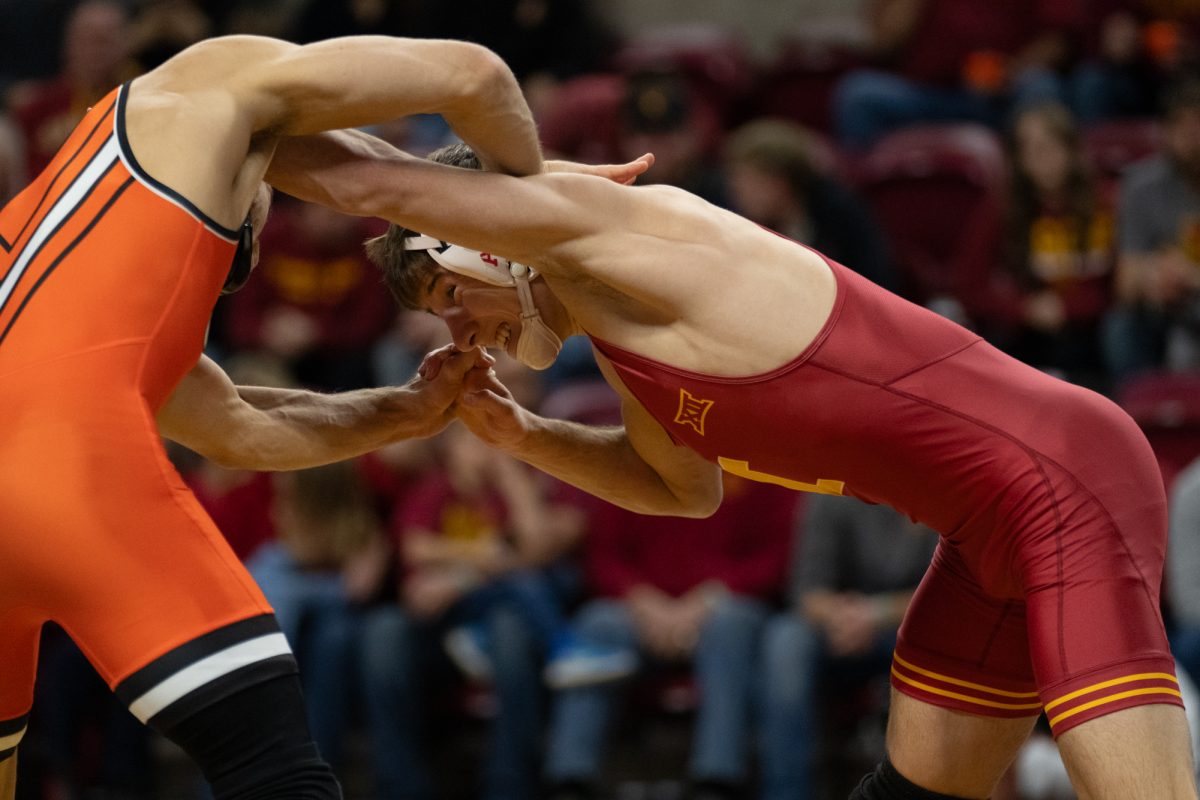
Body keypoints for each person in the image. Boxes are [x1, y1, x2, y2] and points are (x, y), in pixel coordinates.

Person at [288, 124, 1199, 798]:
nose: (457, 329)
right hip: (984, 532)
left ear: (488, 240)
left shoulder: (629, 237)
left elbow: (375, 177)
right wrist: (528, 439)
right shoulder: (620, 341)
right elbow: (678, 490)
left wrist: (222, 130)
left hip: (1068, 483)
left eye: (451, 294)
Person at [0, 32, 647, 800]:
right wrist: (543, 205)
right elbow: (475, 75)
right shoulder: (204, 81)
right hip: (70, 474)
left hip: (32, 479)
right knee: (276, 774)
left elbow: (237, 425)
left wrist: (408, 411)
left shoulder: (59, 256)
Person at [758, 495, 937, 800]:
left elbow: (947, 596)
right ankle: (786, 791)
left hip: (913, 625)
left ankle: (921, 789)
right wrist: (846, 617)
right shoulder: (831, 492)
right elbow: (807, 592)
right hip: (838, 627)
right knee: (785, 639)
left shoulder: (938, 490)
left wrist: (874, 614)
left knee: (939, 641)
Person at [1103, 77, 1200, 379]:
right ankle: (1135, 420)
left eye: (1197, 125)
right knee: (1120, 327)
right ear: (1165, 132)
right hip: (1160, 307)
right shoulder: (1140, 185)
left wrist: (1190, 275)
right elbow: (1126, 283)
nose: (1190, 136)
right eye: (1180, 126)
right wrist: (1156, 275)